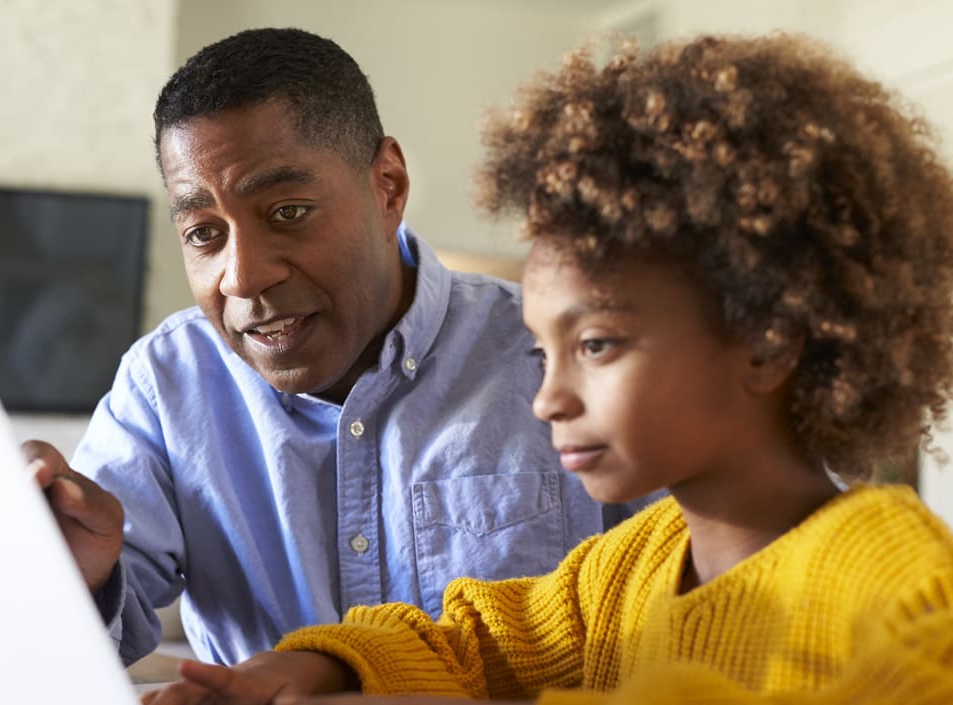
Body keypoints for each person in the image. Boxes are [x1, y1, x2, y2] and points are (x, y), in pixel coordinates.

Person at [145, 33, 953, 704]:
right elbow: (472, 641)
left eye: (596, 345)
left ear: (768, 340)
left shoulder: (901, 581)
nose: (548, 397)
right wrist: (311, 666)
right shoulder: (629, 566)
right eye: (543, 350)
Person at [24, 27, 653, 666]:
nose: (242, 276)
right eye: (204, 233)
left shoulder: (554, 357)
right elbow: (73, 643)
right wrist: (79, 579)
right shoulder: (166, 384)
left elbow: (680, 595)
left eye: (288, 213)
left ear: (388, 188)